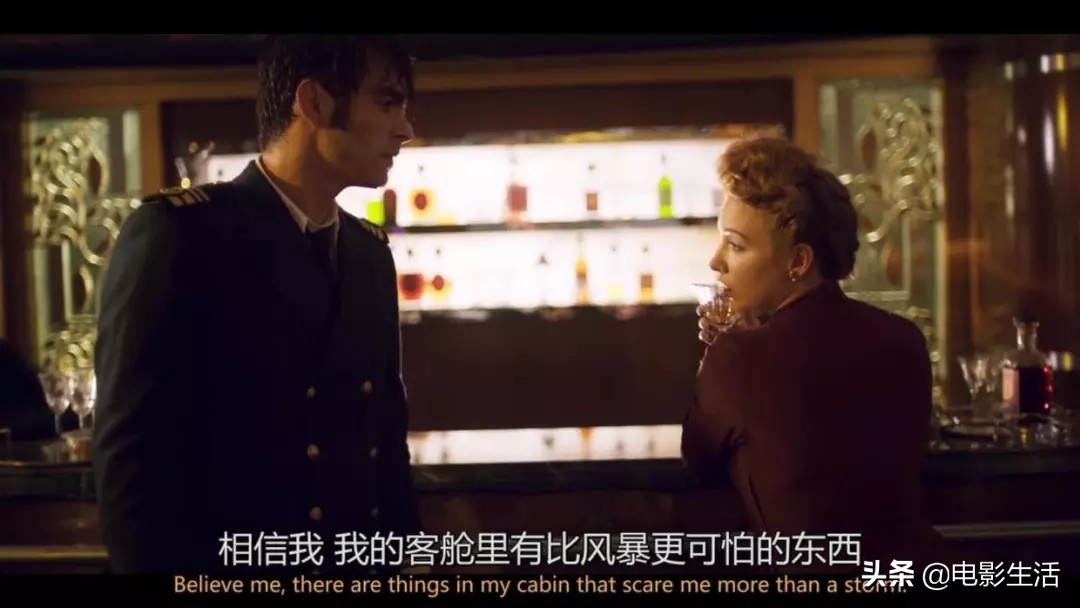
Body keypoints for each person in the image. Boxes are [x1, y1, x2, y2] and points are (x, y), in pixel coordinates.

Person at [92, 35, 422, 575]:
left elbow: (384, 441)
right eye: (387, 103)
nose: (405, 129)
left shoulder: (368, 254)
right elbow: (132, 467)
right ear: (314, 103)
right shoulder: (180, 235)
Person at [681, 136, 954, 575]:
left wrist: (720, 349)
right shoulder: (904, 338)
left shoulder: (735, 358)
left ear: (799, 261)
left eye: (735, 244)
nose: (716, 262)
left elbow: (700, 464)